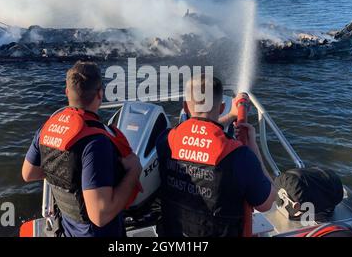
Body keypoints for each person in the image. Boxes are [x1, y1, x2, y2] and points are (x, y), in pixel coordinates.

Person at [22, 61, 142, 237]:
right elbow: (100, 216)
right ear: (100, 94)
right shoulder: (97, 142)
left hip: (66, 229)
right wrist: (134, 170)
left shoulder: (47, 128)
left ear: (67, 92)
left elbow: (28, 174)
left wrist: (69, 173)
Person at [156, 75, 276, 237]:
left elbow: (201, 131)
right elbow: (266, 203)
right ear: (221, 108)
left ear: (185, 106)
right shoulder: (240, 155)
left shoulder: (165, 140)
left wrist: (231, 116)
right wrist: (253, 147)